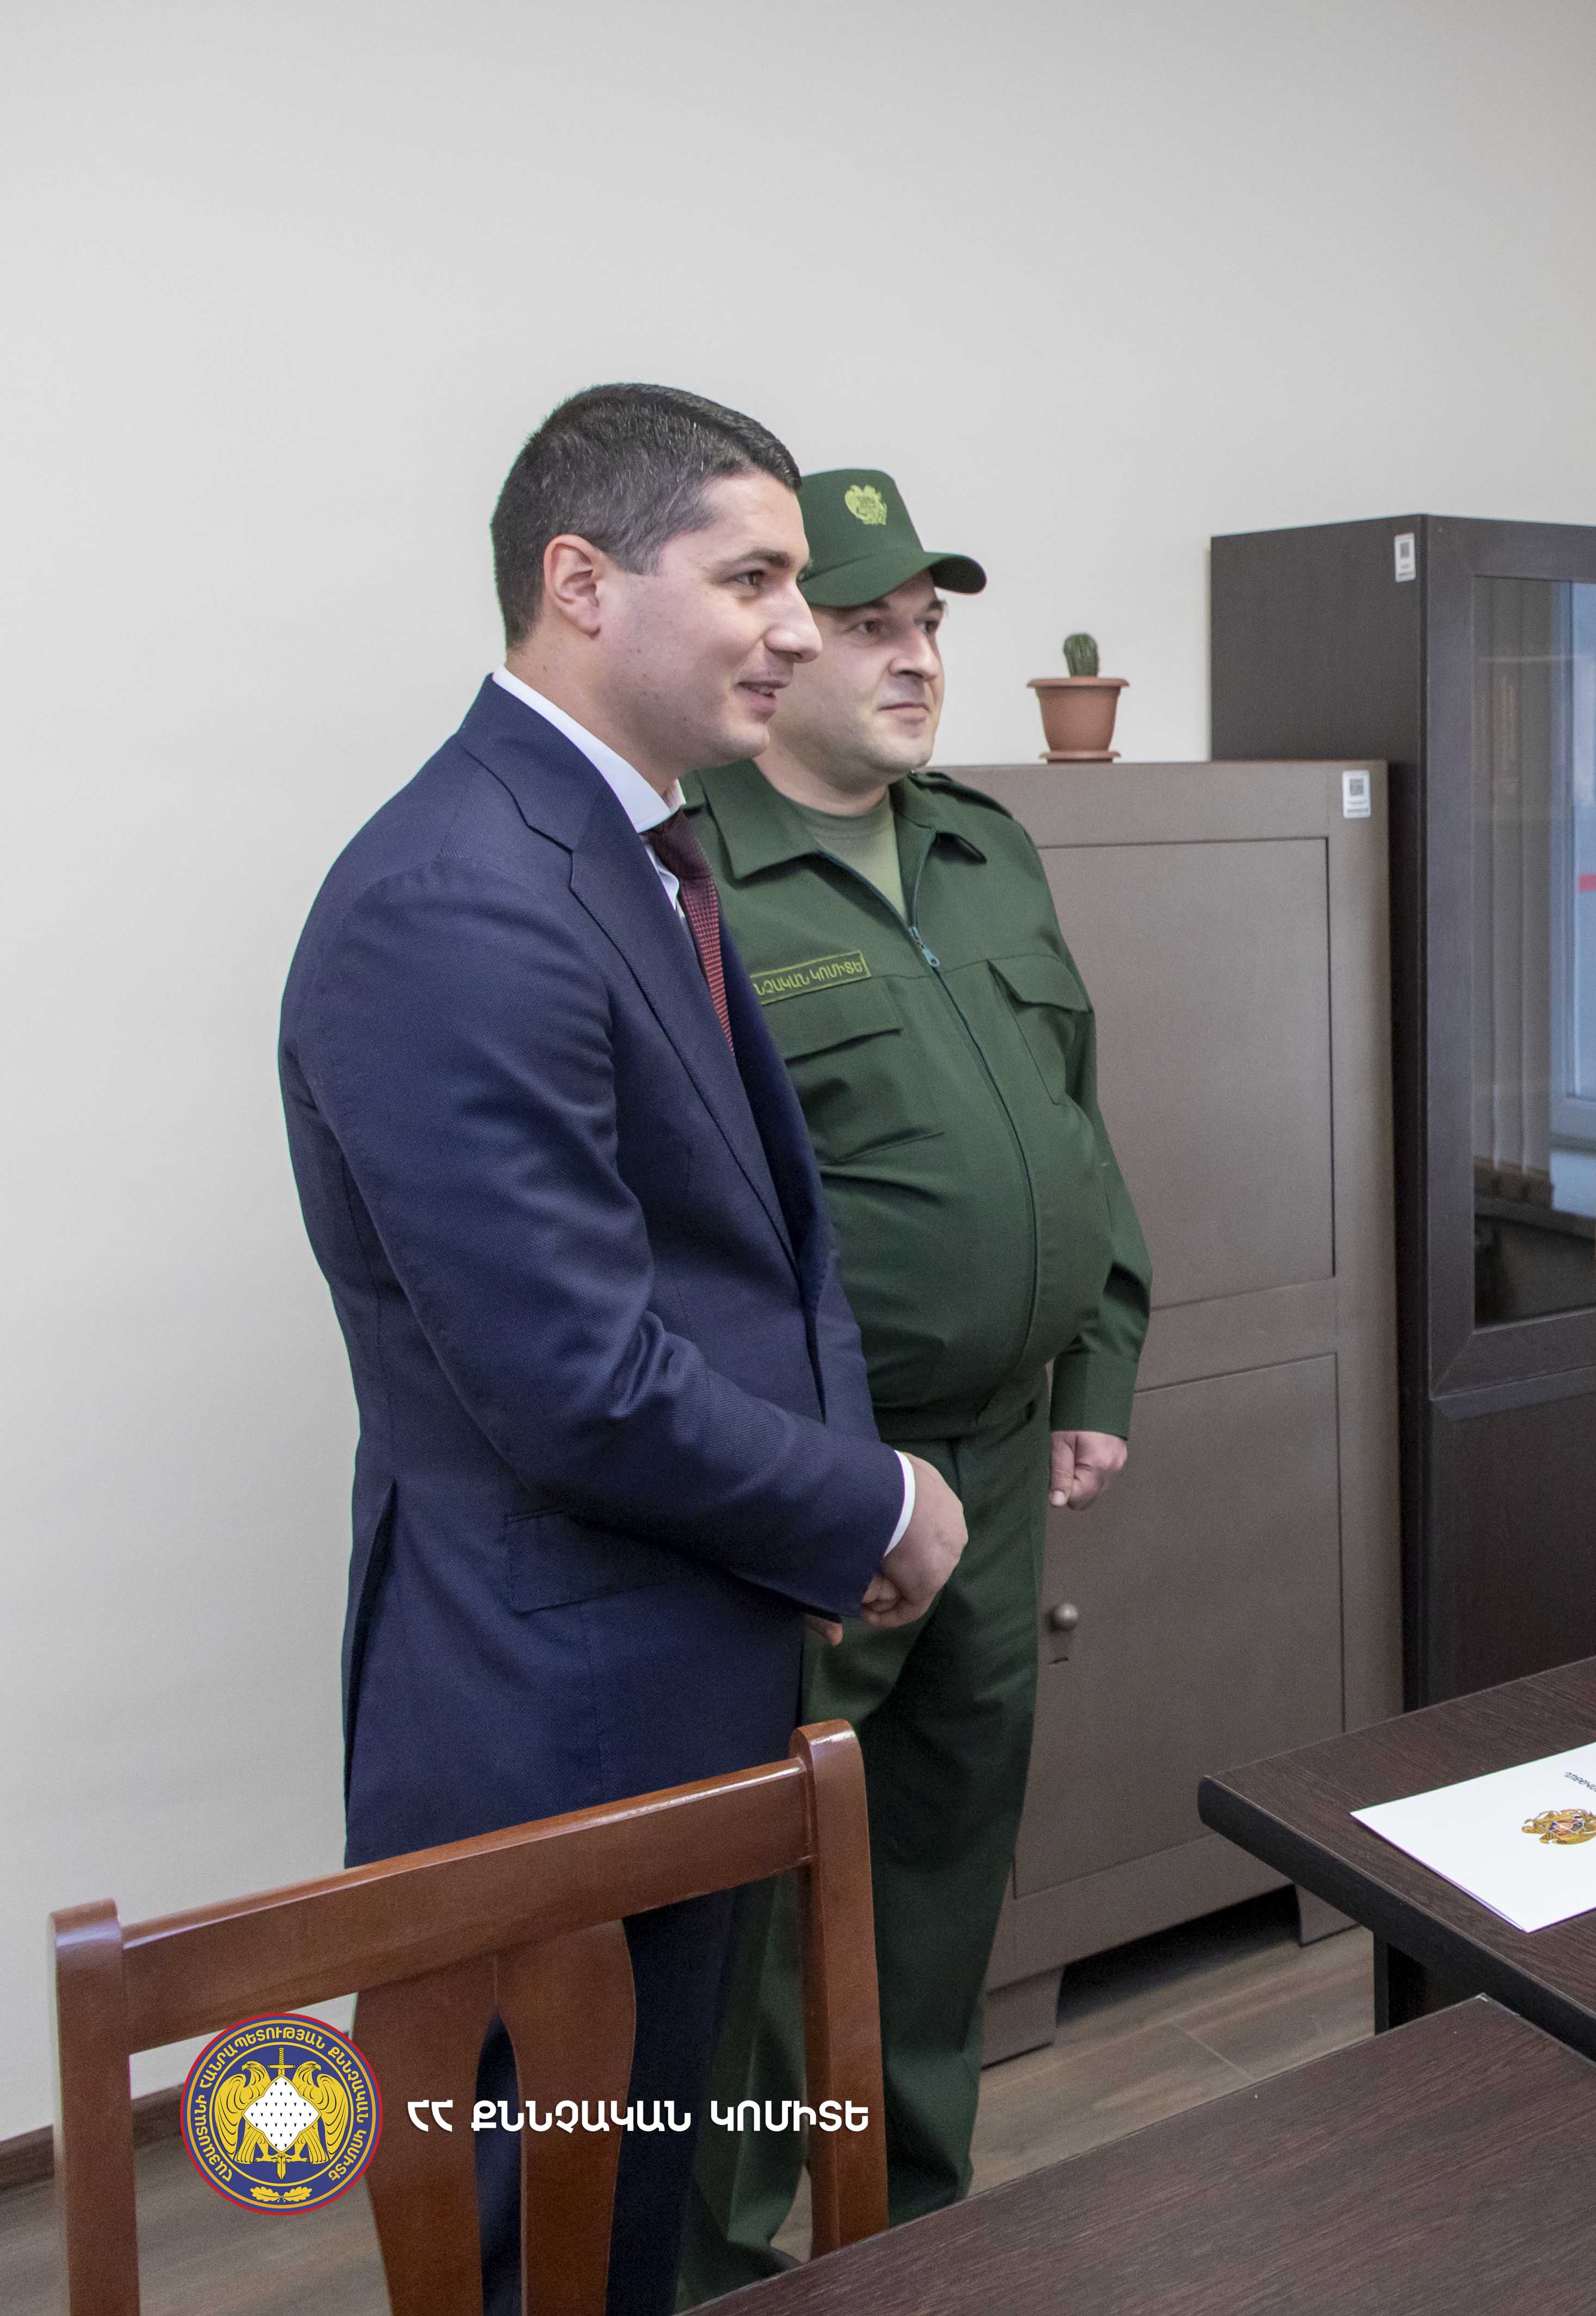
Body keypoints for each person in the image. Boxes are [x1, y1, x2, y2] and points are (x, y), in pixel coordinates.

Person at [279, 385, 968, 2314]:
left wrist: (820, 1521)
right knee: (553, 2241)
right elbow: (578, 1379)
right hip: (554, 1711)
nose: (797, 629)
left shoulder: (621, 846)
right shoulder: (458, 893)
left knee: (632, 2214)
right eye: (752, 580)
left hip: (671, 1665)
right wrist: (868, 1505)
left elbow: (747, 1255)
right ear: (581, 583)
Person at [676, 469, 1150, 2299]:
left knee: (948, 1856)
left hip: (1008, 1456)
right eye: (867, 624)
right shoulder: (688, 875)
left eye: (929, 625)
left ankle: (912, 2227)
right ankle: (723, 2264)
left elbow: (1074, 1127)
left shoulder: (983, 848)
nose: (913, 658)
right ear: (777, 643)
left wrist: (1098, 1357)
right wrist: (808, 1478)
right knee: (756, 1910)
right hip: (820, 1484)